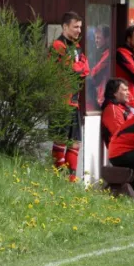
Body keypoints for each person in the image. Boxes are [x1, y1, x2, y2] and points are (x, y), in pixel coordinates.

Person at [50, 11, 89, 182]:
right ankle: (58, 177)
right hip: (61, 101)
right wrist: (80, 67)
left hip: (74, 101)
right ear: (65, 27)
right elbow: (70, 70)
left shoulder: (76, 47)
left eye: (80, 27)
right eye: (75, 27)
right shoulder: (59, 45)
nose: (79, 30)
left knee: (75, 143)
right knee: (60, 139)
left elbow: (85, 69)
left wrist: (79, 67)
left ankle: (71, 180)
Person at [100, 78, 132, 147]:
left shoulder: (121, 107)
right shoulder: (112, 110)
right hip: (121, 151)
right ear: (115, 93)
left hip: (129, 148)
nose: (128, 93)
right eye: (125, 90)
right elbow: (120, 134)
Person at [90, 24, 111, 108]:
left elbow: (94, 73)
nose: (96, 40)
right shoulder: (101, 53)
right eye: (95, 38)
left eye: (98, 38)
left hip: (104, 95)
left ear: (107, 39)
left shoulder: (108, 54)